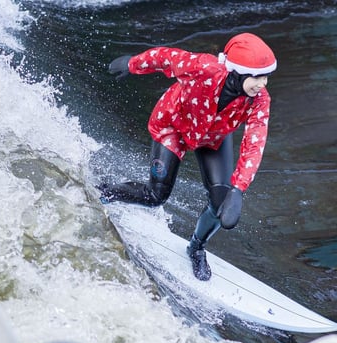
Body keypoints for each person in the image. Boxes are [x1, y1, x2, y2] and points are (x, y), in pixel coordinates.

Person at [102, 32, 277, 281]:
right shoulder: (205, 68)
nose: (263, 83)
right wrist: (133, 64)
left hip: (213, 137)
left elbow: (255, 141)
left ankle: (196, 247)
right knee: (156, 197)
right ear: (237, 71)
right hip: (172, 126)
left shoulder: (258, 100)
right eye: (257, 77)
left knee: (220, 201)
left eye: (266, 76)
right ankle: (106, 192)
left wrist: (238, 188)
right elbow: (167, 58)